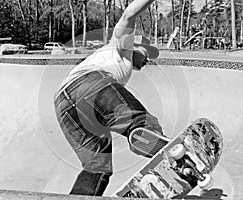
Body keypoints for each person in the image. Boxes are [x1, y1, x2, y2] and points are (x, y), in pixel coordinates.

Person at [54, 0, 168, 196]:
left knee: (96, 167)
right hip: (91, 84)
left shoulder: (105, 58)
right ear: (135, 45)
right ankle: (144, 133)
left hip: (63, 105)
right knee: (141, 122)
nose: (147, 60)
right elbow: (129, 15)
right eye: (146, 53)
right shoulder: (123, 45)